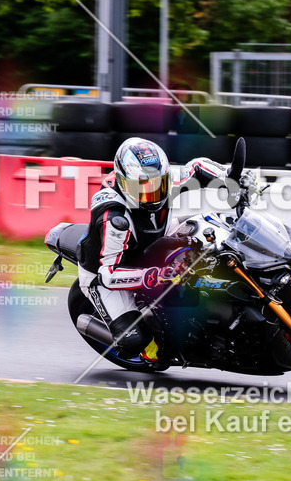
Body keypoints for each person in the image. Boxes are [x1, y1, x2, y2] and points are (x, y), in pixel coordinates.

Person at [77, 137, 253, 359]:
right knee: (135, 342)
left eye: (158, 185)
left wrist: (230, 177)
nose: (152, 193)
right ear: (123, 182)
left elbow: (196, 168)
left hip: (153, 236)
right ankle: (143, 343)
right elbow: (107, 275)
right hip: (107, 271)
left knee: (210, 229)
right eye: (141, 188)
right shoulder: (113, 218)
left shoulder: (160, 179)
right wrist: (154, 275)